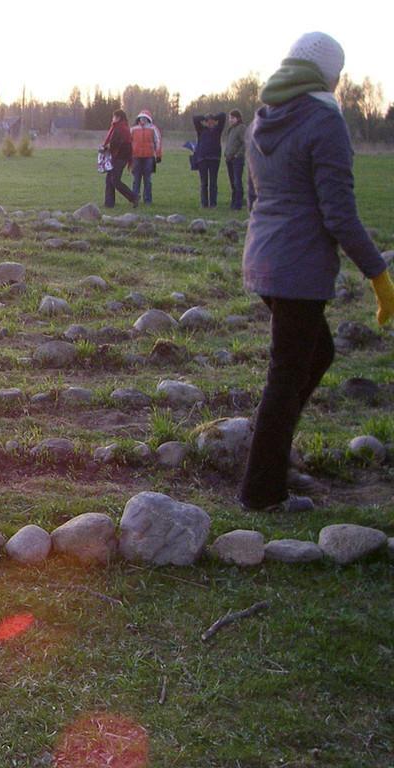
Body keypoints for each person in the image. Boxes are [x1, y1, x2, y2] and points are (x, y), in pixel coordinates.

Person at [238, 31, 394, 512]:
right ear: (331, 77)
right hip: (298, 265)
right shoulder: (324, 120)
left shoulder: (262, 119)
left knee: (315, 354)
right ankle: (262, 491)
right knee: (286, 374)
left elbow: (258, 193)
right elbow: (339, 215)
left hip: (263, 257)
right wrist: (378, 276)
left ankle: (273, 458)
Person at [100, 109, 137, 208]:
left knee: (115, 180)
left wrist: (108, 148)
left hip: (121, 157)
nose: (113, 119)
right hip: (116, 156)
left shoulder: (121, 128)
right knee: (109, 179)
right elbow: (114, 142)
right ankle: (109, 203)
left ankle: (133, 197)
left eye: (114, 117)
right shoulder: (117, 127)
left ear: (119, 117)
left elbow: (119, 143)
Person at [193, 111, 226, 207]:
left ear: (215, 122)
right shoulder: (201, 130)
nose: (210, 123)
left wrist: (214, 116)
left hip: (214, 159)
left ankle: (213, 203)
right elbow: (195, 118)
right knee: (204, 183)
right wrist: (205, 116)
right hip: (202, 159)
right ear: (205, 122)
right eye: (208, 121)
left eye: (212, 122)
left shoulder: (218, 130)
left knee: (213, 182)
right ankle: (204, 203)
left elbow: (223, 116)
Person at [130, 110, 162, 205]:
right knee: (136, 180)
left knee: (147, 180)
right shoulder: (133, 129)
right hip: (136, 157)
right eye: (141, 118)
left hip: (149, 157)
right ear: (138, 119)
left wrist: (158, 155)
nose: (142, 120)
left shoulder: (153, 129)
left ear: (148, 119)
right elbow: (129, 142)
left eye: (144, 118)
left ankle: (148, 200)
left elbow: (158, 142)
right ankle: (134, 199)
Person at [223, 109, 246, 210]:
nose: (230, 120)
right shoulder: (231, 129)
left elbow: (246, 142)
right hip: (229, 159)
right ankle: (233, 203)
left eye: (232, 118)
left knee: (237, 182)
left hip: (237, 160)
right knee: (232, 182)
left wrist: (238, 154)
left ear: (238, 118)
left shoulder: (241, 128)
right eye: (229, 118)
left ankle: (238, 204)